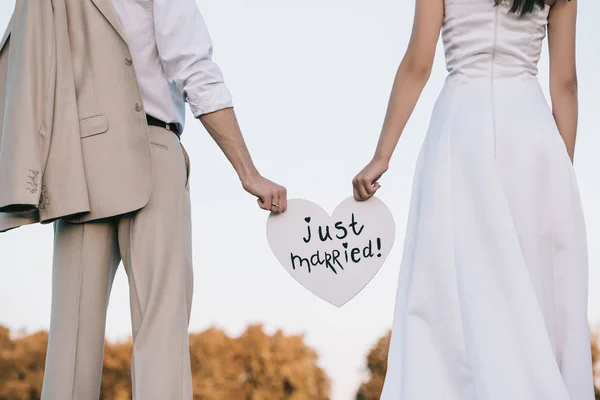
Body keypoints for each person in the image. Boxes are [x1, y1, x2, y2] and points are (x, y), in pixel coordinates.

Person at [0, 0, 286, 398]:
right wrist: (248, 172)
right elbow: (194, 69)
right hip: (151, 150)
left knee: (70, 344)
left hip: (76, 165)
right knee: (161, 329)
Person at [352, 0, 593, 398]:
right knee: (536, 283)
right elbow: (565, 83)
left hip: (462, 128)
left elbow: (418, 63)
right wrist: (560, 172)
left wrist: (382, 155)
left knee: (449, 277)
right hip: (532, 136)